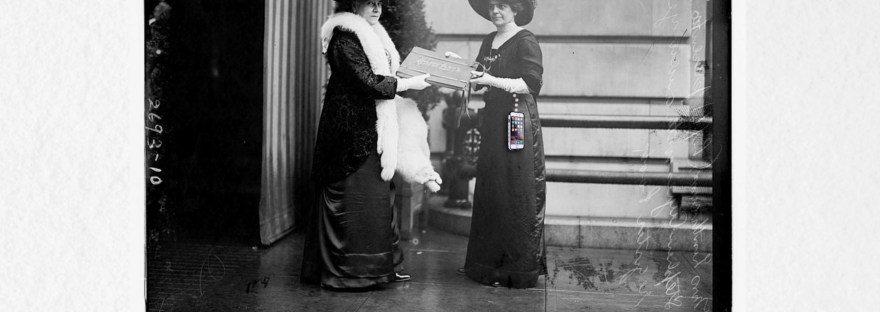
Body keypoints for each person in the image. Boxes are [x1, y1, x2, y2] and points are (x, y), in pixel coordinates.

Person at [300, 0, 431, 289]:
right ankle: (349, 273)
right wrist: (408, 84)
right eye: (368, 3)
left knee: (378, 198)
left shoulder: (375, 34)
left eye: (379, 3)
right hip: (348, 131)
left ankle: (381, 268)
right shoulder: (343, 36)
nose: (376, 9)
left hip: (374, 127)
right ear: (354, 4)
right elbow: (367, 81)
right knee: (354, 197)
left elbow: (383, 78)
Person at [459, 0, 547, 288]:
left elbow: (531, 84)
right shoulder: (489, 40)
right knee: (492, 185)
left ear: (517, 8)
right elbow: (483, 78)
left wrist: (491, 80)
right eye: (492, 6)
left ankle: (515, 269)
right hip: (493, 118)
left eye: (502, 5)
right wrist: (462, 71)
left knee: (515, 187)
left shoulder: (525, 40)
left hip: (516, 118)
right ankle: (486, 265)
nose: (495, 11)